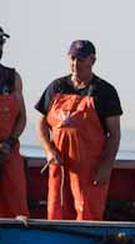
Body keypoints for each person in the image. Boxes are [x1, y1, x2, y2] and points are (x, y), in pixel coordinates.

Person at [35, 40, 122, 221]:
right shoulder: (56, 87)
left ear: (92, 60)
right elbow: (41, 124)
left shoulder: (105, 91)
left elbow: (114, 135)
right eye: (72, 58)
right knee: (56, 212)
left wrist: (106, 167)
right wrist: (49, 151)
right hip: (60, 166)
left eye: (81, 59)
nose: (75, 64)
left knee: (87, 213)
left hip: (90, 169)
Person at [0, 26, 28, 218]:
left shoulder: (12, 77)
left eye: (1, 43)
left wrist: (9, 143)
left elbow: (22, 118)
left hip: (8, 152)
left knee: (17, 209)